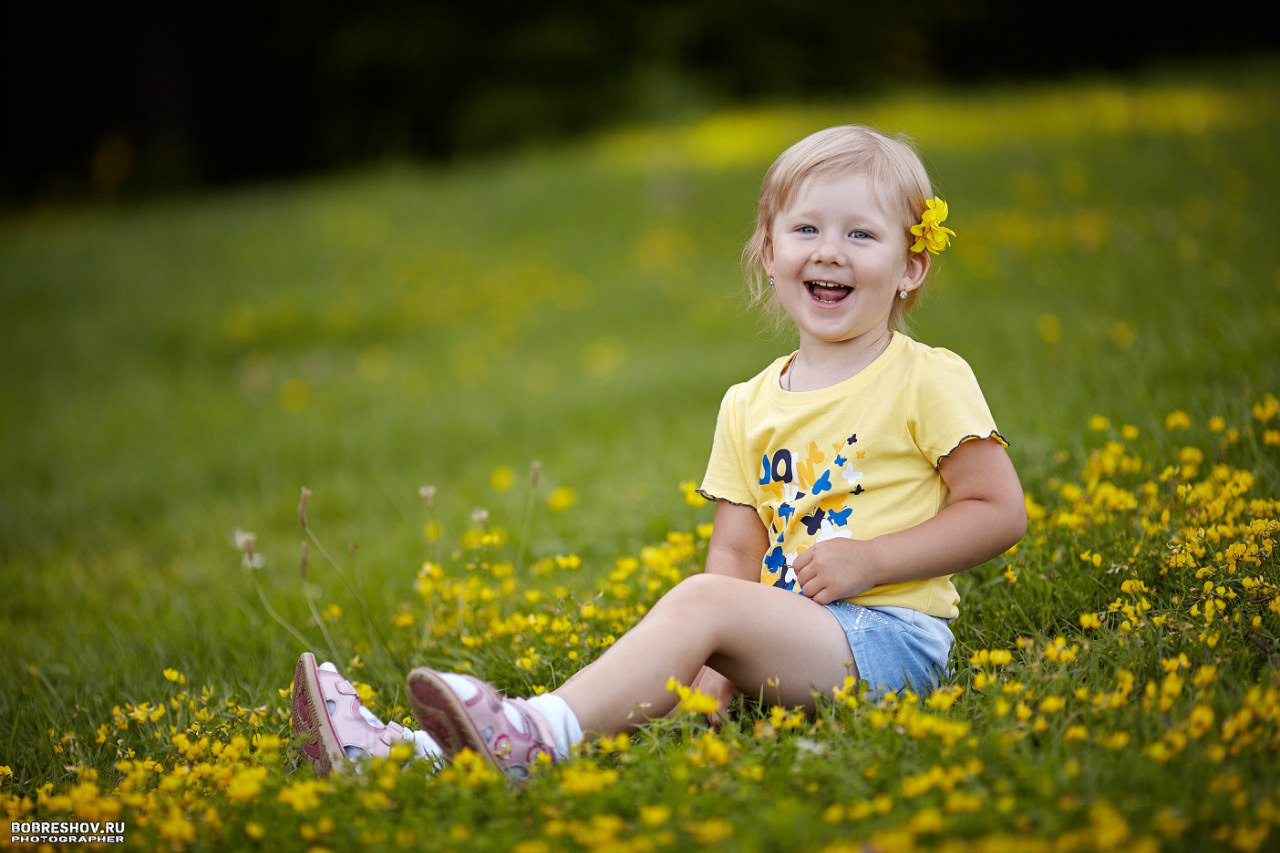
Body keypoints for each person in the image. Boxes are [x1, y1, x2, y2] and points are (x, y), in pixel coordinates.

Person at [291, 124, 1026, 782]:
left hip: (890, 644)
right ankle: (402, 754)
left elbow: (998, 512)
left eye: (861, 235)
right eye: (806, 228)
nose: (829, 249)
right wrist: (717, 666)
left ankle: (535, 734)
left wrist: (871, 561)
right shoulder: (749, 402)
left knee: (696, 604)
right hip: (804, 639)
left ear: (912, 266)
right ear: (770, 252)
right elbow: (736, 558)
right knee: (681, 623)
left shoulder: (925, 377)